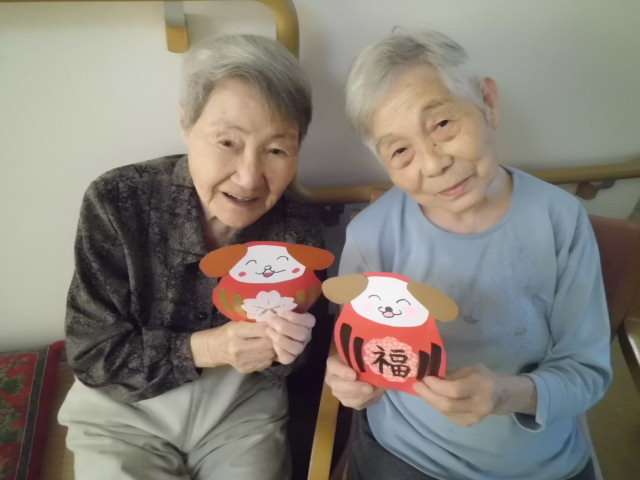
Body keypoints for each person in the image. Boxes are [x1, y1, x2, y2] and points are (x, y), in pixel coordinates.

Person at [324, 30, 611, 480]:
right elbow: (354, 349)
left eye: (442, 125)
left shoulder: (560, 219)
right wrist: (350, 380)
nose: (434, 163)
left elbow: (588, 372)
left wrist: (506, 394)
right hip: (405, 455)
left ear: (488, 102)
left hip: (541, 463)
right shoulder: (371, 236)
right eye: (401, 151)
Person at [59, 34, 321, 480]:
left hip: (240, 413)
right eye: (228, 142)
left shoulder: (297, 228)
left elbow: (299, 364)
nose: (249, 177)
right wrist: (211, 347)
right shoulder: (118, 201)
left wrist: (288, 349)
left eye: (277, 150)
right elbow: (93, 353)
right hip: (122, 412)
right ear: (187, 123)